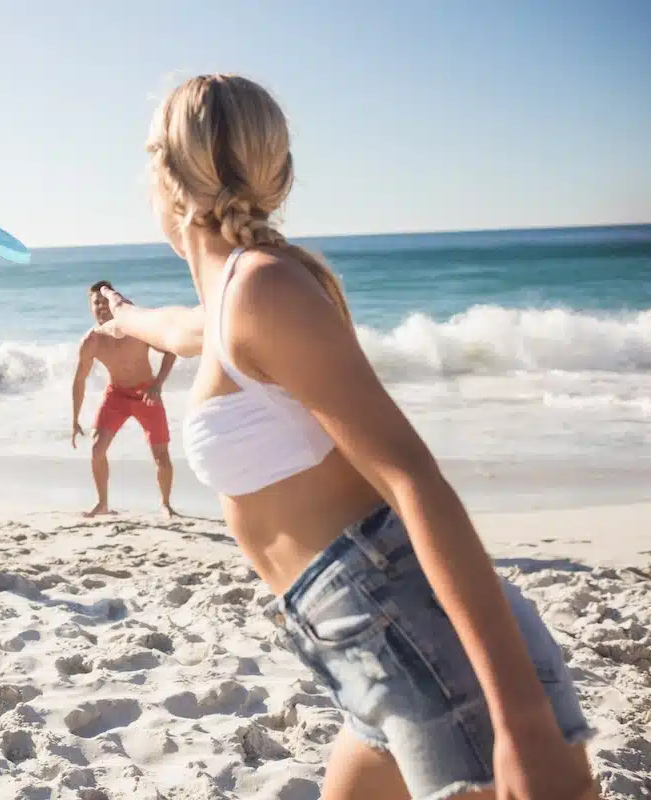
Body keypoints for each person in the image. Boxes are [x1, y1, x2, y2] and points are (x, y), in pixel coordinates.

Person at [97, 74, 597, 800]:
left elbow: (411, 478)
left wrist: (519, 718)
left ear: (164, 178)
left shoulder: (265, 288)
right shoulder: (236, 296)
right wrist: (122, 313)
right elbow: (177, 327)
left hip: (419, 641)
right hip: (364, 652)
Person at [72, 280, 178, 518]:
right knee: (97, 449)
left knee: (161, 454)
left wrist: (158, 384)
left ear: (113, 303)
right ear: (90, 307)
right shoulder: (91, 341)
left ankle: (166, 505)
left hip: (146, 394)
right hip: (116, 396)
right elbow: (79, 380)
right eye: (96, 303)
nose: (101, 307)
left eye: (104, 302)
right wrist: (75, 419)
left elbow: (170, 350)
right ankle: (102, 504)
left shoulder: (136, 329)